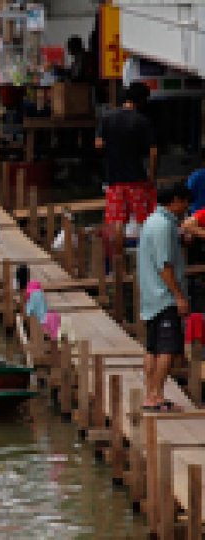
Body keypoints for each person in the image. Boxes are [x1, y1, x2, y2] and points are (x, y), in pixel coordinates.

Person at [138, 183, 191, 411]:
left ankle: (151, 394)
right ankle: (156, 396)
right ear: (176, 200)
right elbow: (164, 265)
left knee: (152, 348)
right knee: (166, 348)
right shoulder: (163, 225)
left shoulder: (153, 220)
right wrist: (179, 297)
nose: (187, 207)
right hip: (164, 296)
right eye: (185, 202)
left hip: (151, 296)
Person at [95, 82, 157, 258]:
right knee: (144, 219)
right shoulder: (142, 121)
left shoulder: (107, 118)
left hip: (114, 179)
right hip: (137, 179)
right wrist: (151, 175)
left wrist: (111, 153)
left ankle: (117, 262)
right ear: (142, 101)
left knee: (118, 222)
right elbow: (153, 152)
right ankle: (147, 258)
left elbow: (98, 144)